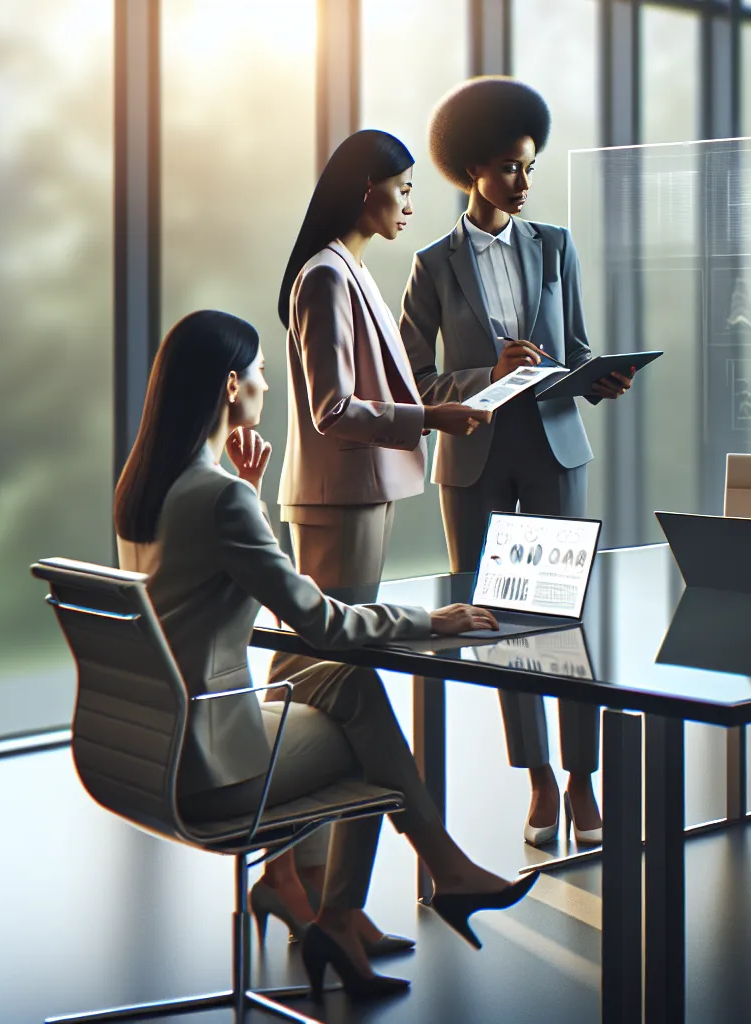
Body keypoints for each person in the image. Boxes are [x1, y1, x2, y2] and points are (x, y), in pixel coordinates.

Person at [114, 310, 534, 1000]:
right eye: (257, 372)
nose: (267, 384)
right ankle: (386, 893)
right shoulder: (218, 499)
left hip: (150, 746)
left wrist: (247, 499)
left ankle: (367, 904)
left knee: (345, 684)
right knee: (360, 715)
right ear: (228, 388)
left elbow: (198, 590)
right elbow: (320, 621)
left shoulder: (146, 490)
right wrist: (429, 619)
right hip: (211, 768)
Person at [263, 128, 487, 951]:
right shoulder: (325, 275)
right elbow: (333, 411)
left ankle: (311, 891)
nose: (409, 202)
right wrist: (433, 415)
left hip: (358, 498)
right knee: (333, 686)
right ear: (366, 190)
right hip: (337, 501)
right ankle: (316, 891)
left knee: (318, 682)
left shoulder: (347, 268)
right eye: (401, 187)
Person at [400, 77, 633, 847]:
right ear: (472, 170)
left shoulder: (555, 246)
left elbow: (577, 350)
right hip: (472, 460)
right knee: (496, 618)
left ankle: (581, 781)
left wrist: (601, 377)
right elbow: (410, 382)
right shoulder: (432, 267)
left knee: (565, 614)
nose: (524, 182)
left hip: (555, 447)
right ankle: (536, 779)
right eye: (509, 167)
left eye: (530, 166)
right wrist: (485, 379)